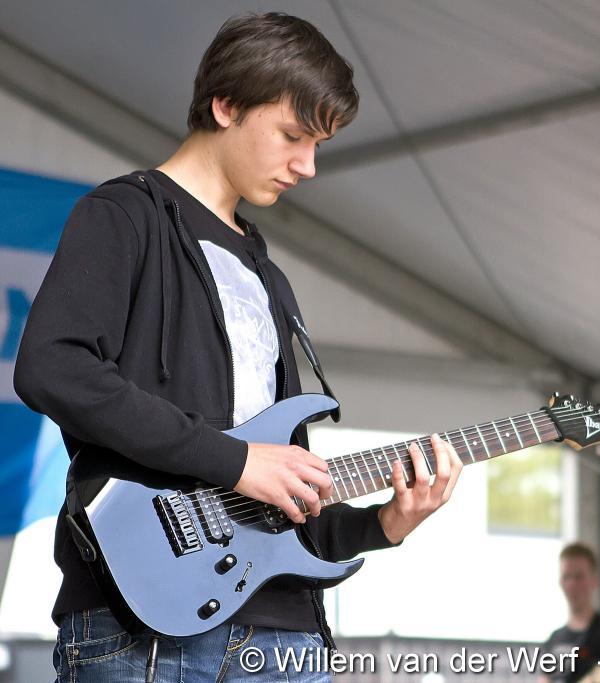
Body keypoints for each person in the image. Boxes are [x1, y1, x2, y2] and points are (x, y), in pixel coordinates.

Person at [13, 12, 462, 682]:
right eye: (293, 136)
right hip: (146, 634)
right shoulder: (124, 215)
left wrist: (384, 524)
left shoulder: (266, 273)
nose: (308, 166)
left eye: (318, 145)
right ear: (225, 105)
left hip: (285, 639)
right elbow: (52, 366)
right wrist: (236, 460)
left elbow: (280, 492)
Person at [540, 543, 600, 683]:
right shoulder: (553, 640)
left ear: (595, 580)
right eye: (566, 577)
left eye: (579, 577)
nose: (572, 584)